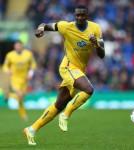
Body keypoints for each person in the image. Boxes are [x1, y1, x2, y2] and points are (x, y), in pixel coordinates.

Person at [24, 5, 105, 146]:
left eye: (82, 15)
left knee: (59, 104)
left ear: (87, 16)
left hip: (79, 70)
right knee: (89, 89)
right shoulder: (66, 26)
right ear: (75, 16)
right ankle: (66, 114)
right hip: (67, 67)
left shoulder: (96, 28)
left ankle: (32, 129)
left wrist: (96, 44)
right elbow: (45, 25)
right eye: (77, 15)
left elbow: (102, 55)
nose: (79, 17)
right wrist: (40, 29)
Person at [2, 40, 36, 121]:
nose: (18, 47)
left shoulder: (28, 54)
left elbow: (33, 64)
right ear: (14, 47)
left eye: (19, 46)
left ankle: (9, 95)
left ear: (22, 46)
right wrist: (8, 71)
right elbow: (5, 66)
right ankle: (23, 115)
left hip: (24, 79)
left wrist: (30, 73)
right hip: (15, 79)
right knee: (19, 95)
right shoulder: (10, 55)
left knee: (21, 97)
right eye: (16, 46)